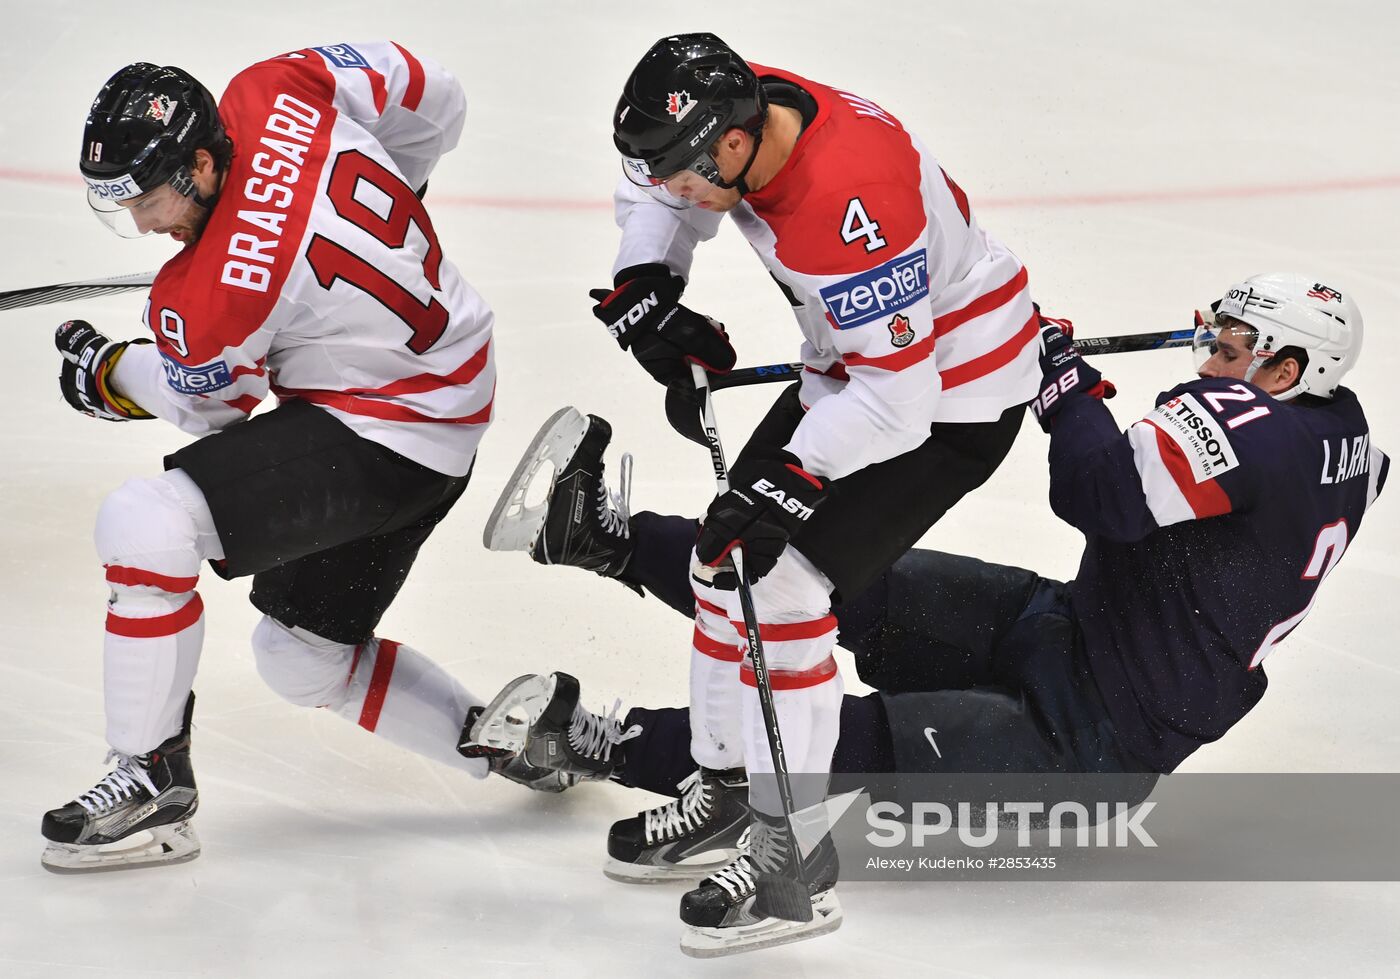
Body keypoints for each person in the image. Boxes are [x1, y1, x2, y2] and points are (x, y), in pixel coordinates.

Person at [471, 272, 1387, 955]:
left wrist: (1068, 390)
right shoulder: (1343, 435)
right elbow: (1298, 475)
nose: (1211, 359)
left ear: (1291, 366)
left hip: (1091, 746)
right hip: (1068, 631)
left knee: (834, 735)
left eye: (1232, 348)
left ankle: (599, 744)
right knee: (829, 574)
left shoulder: (1258, 430)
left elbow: (1100, 491)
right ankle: (600, 536)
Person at [480, 32, 1042, 940]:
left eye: (686, 174)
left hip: (952, 401)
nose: (673, 190)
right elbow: (649, 187)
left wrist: (789, 479)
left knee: (780, 584)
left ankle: (794, 854)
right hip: (860, 371)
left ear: (734, 144)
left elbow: (902, 403)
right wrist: (648, 281)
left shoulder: (845, 204)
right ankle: (731, 791)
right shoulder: (743, 114)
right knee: (720, 566)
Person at [43, 41, 555, 874]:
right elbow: (438, 98)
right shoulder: (281, 84)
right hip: (454, 389)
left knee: (143, 524)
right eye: (121, 204)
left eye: (148, 199)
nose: (140, 223)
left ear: (203, 164)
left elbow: (206, 409)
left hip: (387, 435)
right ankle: (504, 744)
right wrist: (403, 199)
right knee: (301, 656)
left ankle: (151, 778)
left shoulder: (207, 296)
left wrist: (109, 370)